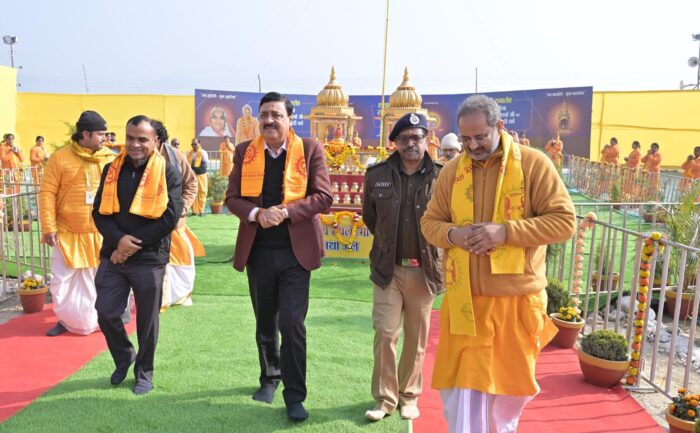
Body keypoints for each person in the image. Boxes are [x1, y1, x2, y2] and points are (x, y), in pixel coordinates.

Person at [420, 95, 577, 433]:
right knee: (459, 400)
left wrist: (505, 232)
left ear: (500, 126)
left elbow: (564, 222)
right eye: (465, 138)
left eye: (480, 137)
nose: (472, 145)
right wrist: (454, 235)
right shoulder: (452, 172)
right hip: (464, 303)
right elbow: (430, 223)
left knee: (504, 403)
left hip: (515, 304)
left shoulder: (533, 164)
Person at [225, 91, 332, 422]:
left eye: (276, 115)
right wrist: (258, 214)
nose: (269, 121)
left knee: (292, 323)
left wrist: (285, 212)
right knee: (265, 321)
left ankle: (295, 395)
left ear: (289, 119)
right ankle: (269, 378)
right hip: (258, 252)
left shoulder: (310, 149)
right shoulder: (245, 151)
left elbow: (323, 197)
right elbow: (232, 198)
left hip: (296, 254)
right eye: (264, 115)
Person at [92, 115, 183, 395]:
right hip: (114, 255)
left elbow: (170, 218)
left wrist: (131, 245)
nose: (134, 144)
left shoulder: (169, 172)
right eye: (130, 138)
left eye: (142, 139)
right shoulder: (111, 169)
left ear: (155, 141)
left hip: (149, 258)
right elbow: (99, 213)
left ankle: (144, 372)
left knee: (147, 320)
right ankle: (124, 357)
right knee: (106, 312)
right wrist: (119, 241)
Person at [362, 112, 444, 422]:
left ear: (427, 140)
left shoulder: (442, 175)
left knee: (416, 337)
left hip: (425, 270)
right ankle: (385, 400)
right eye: (405, 138)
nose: (411, 143)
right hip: (389, 270)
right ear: (394, 142)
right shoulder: (377, 175)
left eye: (417, 137)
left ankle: (409, 395)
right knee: (385, 333)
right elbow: (370, 217)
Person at [39, 111, 116, 337]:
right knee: (62, 280)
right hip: (67, 231)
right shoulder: (60, 158)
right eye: (100, 134)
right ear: (85, 134)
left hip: (100, 232)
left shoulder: (109, 158)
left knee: (99, 279)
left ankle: (100, 320)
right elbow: (47, 193)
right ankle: (65, 320)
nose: (105, 138)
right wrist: (49, 227)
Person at [151, 120, 202, 310]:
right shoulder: (135, 157)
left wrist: (182, 208)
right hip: (146, 221)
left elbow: (191, 183)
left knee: (181, 258)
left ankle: (176, 296)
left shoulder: (175, 156)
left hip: (174, 221)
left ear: (157, 139)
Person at [187, 138, 209, 216]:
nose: (193, 146)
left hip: (201, 175)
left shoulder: (203, 153)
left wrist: (195, 171)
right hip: (192, 176)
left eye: (195, 144)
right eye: (192, 144)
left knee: (202, 192)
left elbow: (204, 166)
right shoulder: (189, 153)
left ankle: (201, 211)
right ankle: (194, 211)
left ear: (199, 144)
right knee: (192, 192)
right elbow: (187, 165)